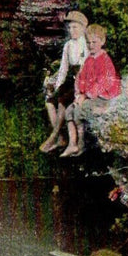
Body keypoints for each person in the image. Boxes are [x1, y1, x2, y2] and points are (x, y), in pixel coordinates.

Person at [60, 23, 121, 157]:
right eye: (88, 42)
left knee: (79, 110)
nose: (91, 45)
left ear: (102, 41)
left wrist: (86, 95)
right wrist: (78, 94)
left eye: (94, 42)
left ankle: (81, 144)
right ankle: (72, 143)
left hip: (102, 97)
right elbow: (80, 78)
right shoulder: (88, 60)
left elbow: (104, 82)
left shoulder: (104, 60)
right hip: (86, 96)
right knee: (69, 110)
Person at [39, 11, 89, 153]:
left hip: (83, 82)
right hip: (72, 80)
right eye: (70, 27)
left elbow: (85, 69)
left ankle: (53, 136)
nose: (71, 30)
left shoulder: (85, 44)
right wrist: (57, 85)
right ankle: (60, 137)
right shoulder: (68, 45)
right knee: (50, 101)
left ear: (83, 28)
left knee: (62, 101)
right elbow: (63, 69)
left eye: (75, 27)